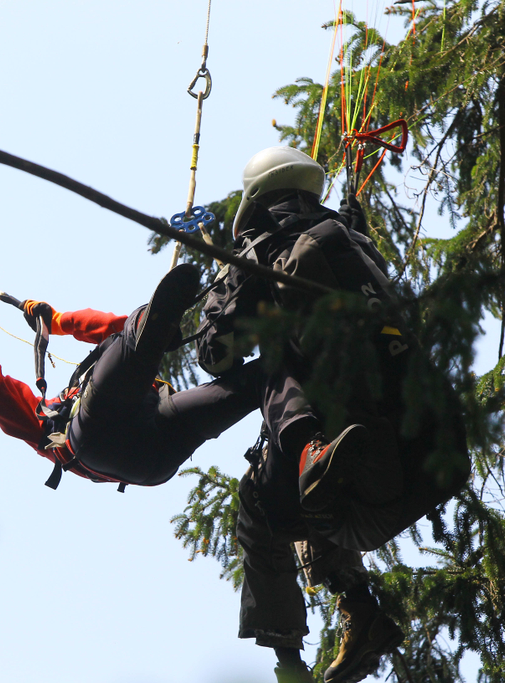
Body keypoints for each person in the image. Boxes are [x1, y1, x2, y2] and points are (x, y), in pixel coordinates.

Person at [196, 146, 470, 683]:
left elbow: (215, 354)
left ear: (255, 203)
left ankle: (288, 661)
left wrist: (226, 281)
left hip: (366, 469)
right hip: (432, 450)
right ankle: (359, 610)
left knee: (262, 499)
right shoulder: (353, 241)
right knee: (317, 486)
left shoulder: (261, 251)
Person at [0, 263, 264, 491]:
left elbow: (120, 332)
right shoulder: (43, 420)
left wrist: (57, 322)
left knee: (252, 386)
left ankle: (278, 371)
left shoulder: (46, 417)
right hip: (105, 443)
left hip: (152, 459)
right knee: (134, 342)